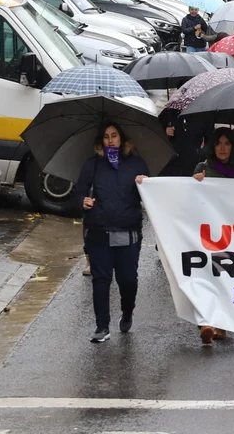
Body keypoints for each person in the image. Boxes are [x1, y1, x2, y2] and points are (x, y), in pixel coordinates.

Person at [72, 122, 149, 343]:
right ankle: (102, 326)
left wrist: (145, 184)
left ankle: (127, 312)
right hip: (99, 232)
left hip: (128, 232)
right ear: (101, 141)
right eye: (106, 137)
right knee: (101, 280)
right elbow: (78, 193)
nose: (110, 140)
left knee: (128, 281)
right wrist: (82, 201)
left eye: (114, 135)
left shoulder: (136, 164)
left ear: (122, 138)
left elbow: (150, 196)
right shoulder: (92, 165)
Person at [191, 127, 234, 344]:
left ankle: (222, 324)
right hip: (208, 232)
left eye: (227, 143)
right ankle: (206, 322)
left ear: (233, 147)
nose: (222, 148)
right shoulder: (203, 168)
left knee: (225, 276)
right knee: (207, 275)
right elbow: (189, 195)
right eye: (218, 143)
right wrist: (196, 181)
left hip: (232, 232)